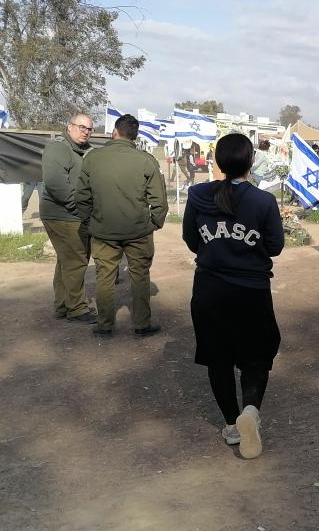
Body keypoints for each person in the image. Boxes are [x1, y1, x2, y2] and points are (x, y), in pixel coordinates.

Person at [182, 133, 284, 459]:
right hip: (252, 293)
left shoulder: (197, 195)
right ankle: (250, 412)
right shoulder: (263, 201)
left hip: (209, 290)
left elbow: (190, 238)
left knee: (218, 359)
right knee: (256, 357)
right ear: (251, 161)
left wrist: (218, 250)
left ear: (217, 162)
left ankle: (230, 425)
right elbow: (276, 246)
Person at [75, 114, 168, 336]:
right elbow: (159, 200)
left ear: (114, 132)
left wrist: (89, 222)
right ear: (134, 137)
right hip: (138, 231)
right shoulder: (146, 160)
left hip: (103, 230)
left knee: (105, 277)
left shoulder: (93, 158)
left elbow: (82, 197)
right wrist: (154, 223)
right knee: (140, 276)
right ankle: (142, 324)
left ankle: (105, 325)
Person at [40, 113, 96, 323]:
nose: (85, 132)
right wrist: (79, 208)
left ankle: (62, 305)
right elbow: (56, 185)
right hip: (62, 214)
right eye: (81, 127)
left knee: (66, 259)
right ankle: (77, 308)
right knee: (76, 259)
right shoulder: (58, 148)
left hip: (71, 213)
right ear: (69, 126)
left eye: (89, 129)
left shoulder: (86, 151)